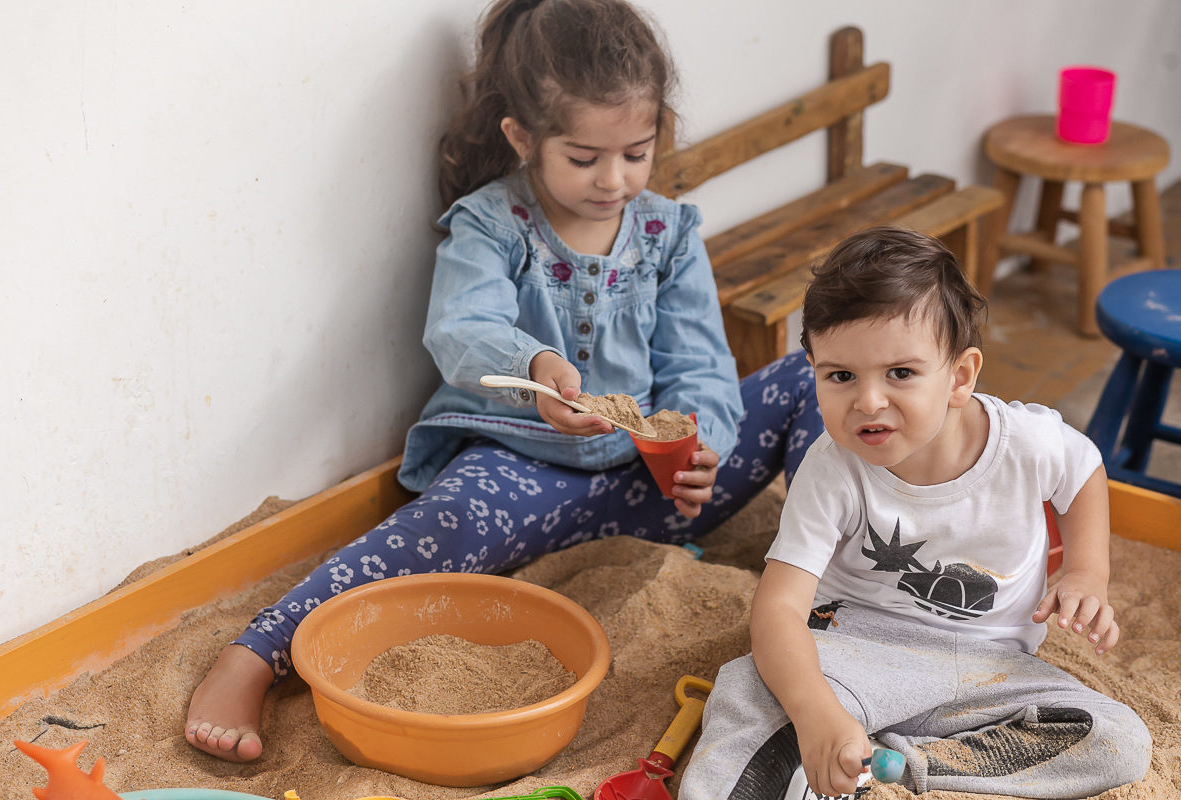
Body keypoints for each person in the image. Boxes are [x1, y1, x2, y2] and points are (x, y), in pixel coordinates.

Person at [184, 0, 823, 763]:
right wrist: (537, 374)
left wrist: (695, 443)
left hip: (655, 486)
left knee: (812, 378)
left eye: (637, 153)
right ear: (523, 137)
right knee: (442, 523)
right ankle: (253, 656)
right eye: (584, 158)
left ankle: (838, 585)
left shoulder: (669, 233)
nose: (613, 180)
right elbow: (461, 330)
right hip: (524, 472)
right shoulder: (491, 224)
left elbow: (700, 362)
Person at [678, 227, 1152, 800]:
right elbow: (777, 610)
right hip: (851, 650)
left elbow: (1083, 472)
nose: (868, 401)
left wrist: (1085, 573)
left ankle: (906, 765)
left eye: (900, 373)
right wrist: (816, 713)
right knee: (752, 693)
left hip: (990, 669)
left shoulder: (1026, 441)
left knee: (1118, 738)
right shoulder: (832, 469)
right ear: (815, 371)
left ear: (960, 376)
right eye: (840, 376)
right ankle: (829, 749)